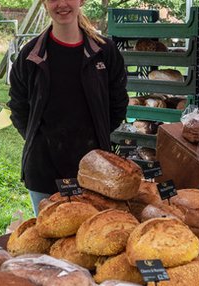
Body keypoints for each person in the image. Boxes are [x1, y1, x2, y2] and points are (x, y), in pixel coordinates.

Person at [8, 0, 128, 216]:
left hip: (94, 172)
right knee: (48, 240)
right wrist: (38, 139)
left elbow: (118, 103)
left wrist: (98, 133)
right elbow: (18, 106)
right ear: (44, 3)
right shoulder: (30, 55)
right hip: (44, 171)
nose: (61, 4)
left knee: (88, 239)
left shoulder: (105, 51)